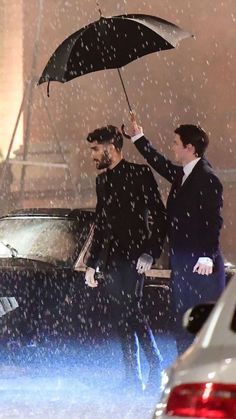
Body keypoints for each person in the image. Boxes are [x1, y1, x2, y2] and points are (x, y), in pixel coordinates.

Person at [129, 121, 225, 354]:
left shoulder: (207, 178)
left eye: (176, 143)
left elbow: (213, 221)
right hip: (183, 262)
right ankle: (186, 378)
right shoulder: (183, 174)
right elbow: (160, 163)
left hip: (202, 267)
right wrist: (138, 138)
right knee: (182, 323)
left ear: (189, 148)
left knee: (201, 326)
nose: (172, 147)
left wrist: (206, 256)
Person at [85, 125, 167, 391]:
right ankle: (133, 374)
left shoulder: (139, 175)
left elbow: (160, 216)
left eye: (96, 149)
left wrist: (150, 252)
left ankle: (155, 363)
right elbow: (101, 223)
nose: (93, 155)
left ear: (111, 148)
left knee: (132, 310)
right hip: (111, 259)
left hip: (135, 257)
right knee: (121, 314)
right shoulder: (102, 181)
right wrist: (92, 263)